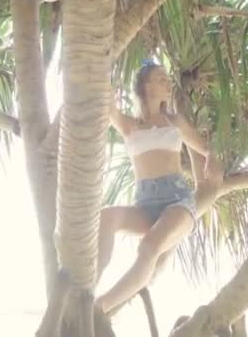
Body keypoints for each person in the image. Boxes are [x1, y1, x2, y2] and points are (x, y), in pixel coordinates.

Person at [94, 59, 210, 314]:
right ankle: (87, 287)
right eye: (160, 78)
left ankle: (101, 306)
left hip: (178, 202)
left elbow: (202, 147)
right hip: (145, 205)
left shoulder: (175, 122)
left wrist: (213, 165)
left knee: (148, 247)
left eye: (167, 77)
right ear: (145, 86)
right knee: (106, 217)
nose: (168, 81)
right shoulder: (129, 125)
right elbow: (108, 104)